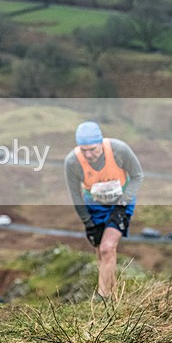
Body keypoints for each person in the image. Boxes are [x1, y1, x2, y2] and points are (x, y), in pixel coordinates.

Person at [64, 121, 144, 300]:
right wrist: (87, 222)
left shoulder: (119, 150)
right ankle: (114, 295)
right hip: (94, 206)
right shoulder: (72, 162)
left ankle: (102, 297)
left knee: (108, 247)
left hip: (120, 203)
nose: (88, 154)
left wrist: (124, 200)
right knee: (102, 251)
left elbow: (138, 176)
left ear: (101, 142)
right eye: (83, 150)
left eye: (92, 149)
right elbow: (75, 196)